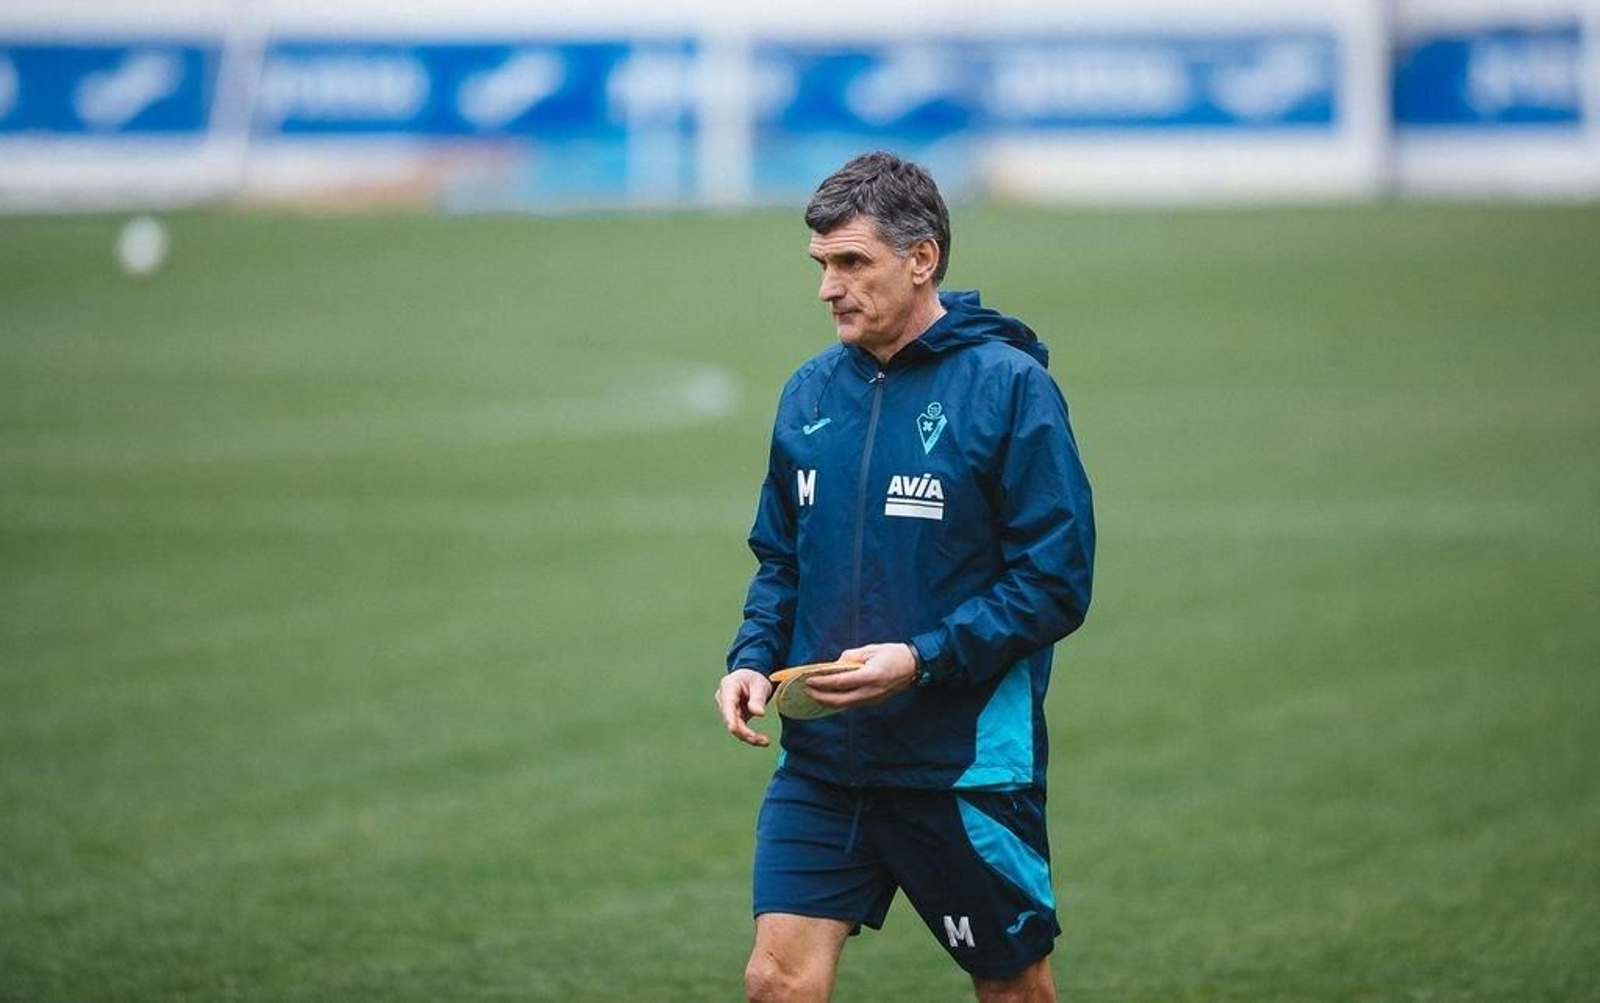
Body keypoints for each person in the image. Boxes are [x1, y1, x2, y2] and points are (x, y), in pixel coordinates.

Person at [714, 151, 1095, 1003]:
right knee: (776, 980)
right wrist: (750, 657)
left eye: (852, 262)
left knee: (1012, 985)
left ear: (921, 259)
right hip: (822, 761)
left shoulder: (1009, 390)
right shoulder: (809, 394)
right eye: (821, 265)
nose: (828, 288)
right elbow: (781, 557)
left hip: (956, 765)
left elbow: (1056, 580)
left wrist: (919, 658)